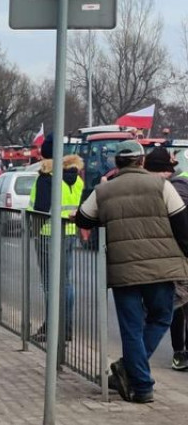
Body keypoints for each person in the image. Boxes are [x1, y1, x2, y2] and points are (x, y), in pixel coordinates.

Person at [75, 140, 188, 404]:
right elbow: (182, 226)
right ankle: (135, 375)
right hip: (161, 269)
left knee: (131, 327)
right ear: (141, 161)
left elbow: (83, 218)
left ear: (117, 163)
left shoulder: (104, 191)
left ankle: (138, 381)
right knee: (161, 317)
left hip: (123, 271)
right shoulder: (162, 186)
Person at [27, 134, 84, 342]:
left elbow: (40, 209)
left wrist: (32, 229)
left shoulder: (47, 177)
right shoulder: (76, 177)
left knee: (51, 284)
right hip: (69, 233)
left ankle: (52, 328)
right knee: (65, 283)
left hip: (48, 233)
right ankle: (65, 327)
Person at [167, 148, 188, 372]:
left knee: (179, 305)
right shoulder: (181, 186)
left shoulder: (177, 185)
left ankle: (180, 352)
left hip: (179, 251)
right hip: (181, 251)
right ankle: (180, 352)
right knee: (180, 304)